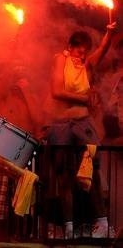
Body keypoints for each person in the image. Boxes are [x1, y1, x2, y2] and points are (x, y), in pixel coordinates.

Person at [47, 23, 117, 238]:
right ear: (70, 47)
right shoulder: (61, 59)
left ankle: (103, 224)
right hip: (61, 125)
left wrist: (109, 33)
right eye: (79, 50)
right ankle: (68, 227)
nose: (83, 55)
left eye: (86, 51)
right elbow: (57, 91)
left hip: (82, 123)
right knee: (63, 177)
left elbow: (102, 50)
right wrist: (85, 98)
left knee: (92, 171)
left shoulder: (86, 64)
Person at [0, 63, 39, 241]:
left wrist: (26, 91)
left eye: (9, 76)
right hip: (3, 152)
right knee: (0, 206)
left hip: (25, 152)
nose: (6, 80)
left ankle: (22, 237)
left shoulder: (29, 95)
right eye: (2, 77)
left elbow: (38, 121)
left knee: (24, 200)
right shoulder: (1, 98)